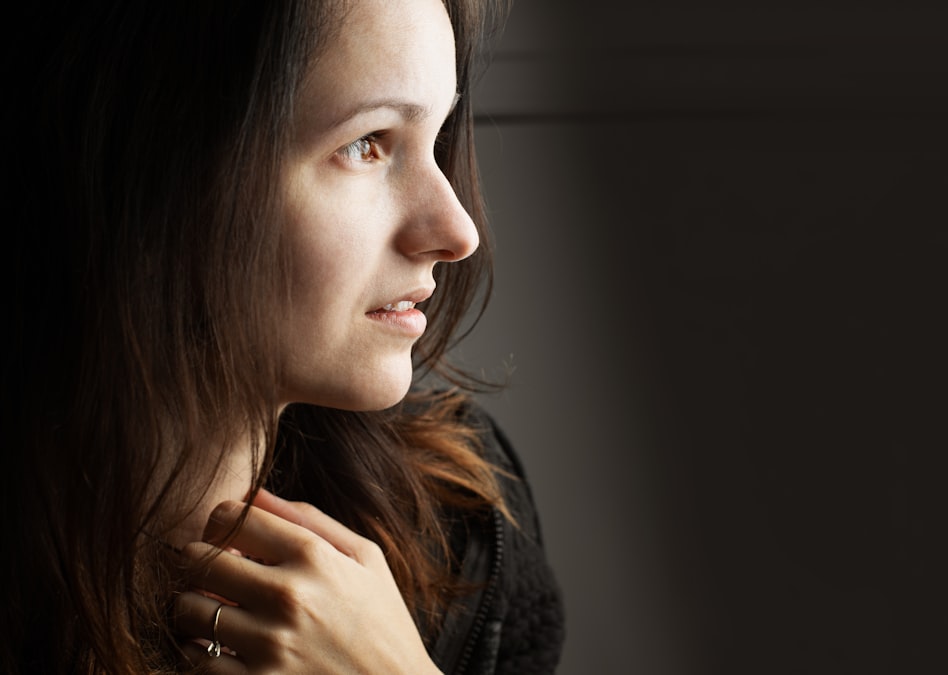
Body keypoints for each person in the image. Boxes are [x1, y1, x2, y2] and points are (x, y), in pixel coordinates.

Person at [1, 0, 564, 673]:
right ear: (159, 169)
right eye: (368, 142)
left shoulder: (462, 519)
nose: (457, 230)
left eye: (437, 139)